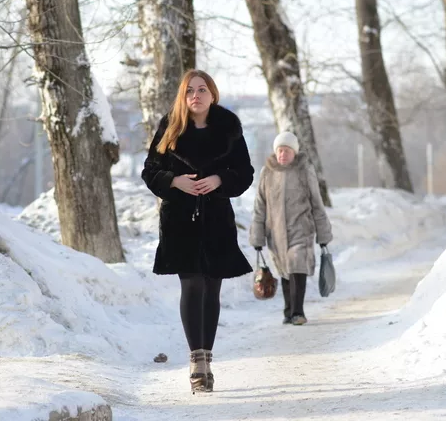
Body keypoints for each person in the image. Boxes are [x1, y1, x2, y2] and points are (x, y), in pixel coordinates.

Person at [141, 69, 254, 394]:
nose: (196, 95)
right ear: (183, 95)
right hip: (180, 221)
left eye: (202, 89)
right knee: (191, 286)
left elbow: (244, 173)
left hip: (217, 219)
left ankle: (207, 356)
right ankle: (196, 364)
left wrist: (220, 179)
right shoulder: (170, 127)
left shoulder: (229, 130)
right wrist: (174, 181)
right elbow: (150, 170)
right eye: (190, 90)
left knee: (211, 291)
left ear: (212, 94)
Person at [249, 131, 332, 326]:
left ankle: (297, 311)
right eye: (279, 151)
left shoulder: (304, 171)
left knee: (297, 265)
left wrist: (323, 234)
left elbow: (317, 203)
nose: (282, 155)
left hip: (301, 229)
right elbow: (260, 207)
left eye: (286, 151)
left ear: (294, 152)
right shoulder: (267, 173)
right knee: (284, 270)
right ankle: (288, 311)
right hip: (275, 232)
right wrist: (257, 236)